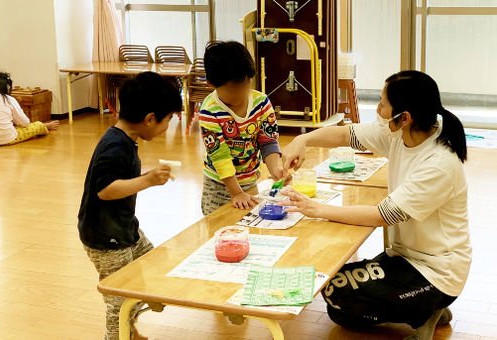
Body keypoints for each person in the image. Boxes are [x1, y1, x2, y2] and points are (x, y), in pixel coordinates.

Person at [280, 70, 471, 340]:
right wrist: (302, 140)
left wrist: (317, 209)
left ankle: (429, 309)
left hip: (436, 272)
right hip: (405, 257)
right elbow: (345, 135)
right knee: (334, 294)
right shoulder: (400, 133)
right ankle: (428, 306)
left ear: (405, 117)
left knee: (335, 292)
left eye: (382, 104)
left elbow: (382, 215)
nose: (378, 110)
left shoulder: (439, 164)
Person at [78, 71, 182, 340]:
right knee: (119, 299)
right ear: (149, 119)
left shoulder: (125, 138)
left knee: (152, 261)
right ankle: (119, 334)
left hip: (123, 228)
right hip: (106, 237)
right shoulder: (115, 146)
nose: (168, 125)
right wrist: (147, 179)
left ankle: (136, 318)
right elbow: (105, 190)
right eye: (168, 119)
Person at [199, 41, 288, 215]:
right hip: (219, 185)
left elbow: (268, 141)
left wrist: (275, 170)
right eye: (233, 90)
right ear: (211, 83)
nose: (240, 95)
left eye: (245, 86)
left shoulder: (261, 102)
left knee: (247, 225)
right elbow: (220, 157)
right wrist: (236, 192)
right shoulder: (210, 111)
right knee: (219, 228)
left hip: (250, 179)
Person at [0, 72, 58, 146]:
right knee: (38, 125)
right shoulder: (9, 99)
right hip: (7, 138)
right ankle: (46, 126)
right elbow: (25, 123)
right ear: (8, 87)